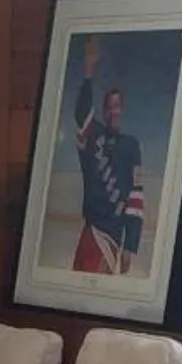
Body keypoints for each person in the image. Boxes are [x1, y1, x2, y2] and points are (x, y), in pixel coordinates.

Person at [67, 36, 144, 275]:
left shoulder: (131, 146)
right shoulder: (93, 136)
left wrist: (130, 245)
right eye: (108, 106)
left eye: (117, 106)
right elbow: (81, 113)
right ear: (103, 110)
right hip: (90, 231)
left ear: (122, 110)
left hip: (112, 237)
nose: (113, 111)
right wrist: (88, 72)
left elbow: (135, 198)